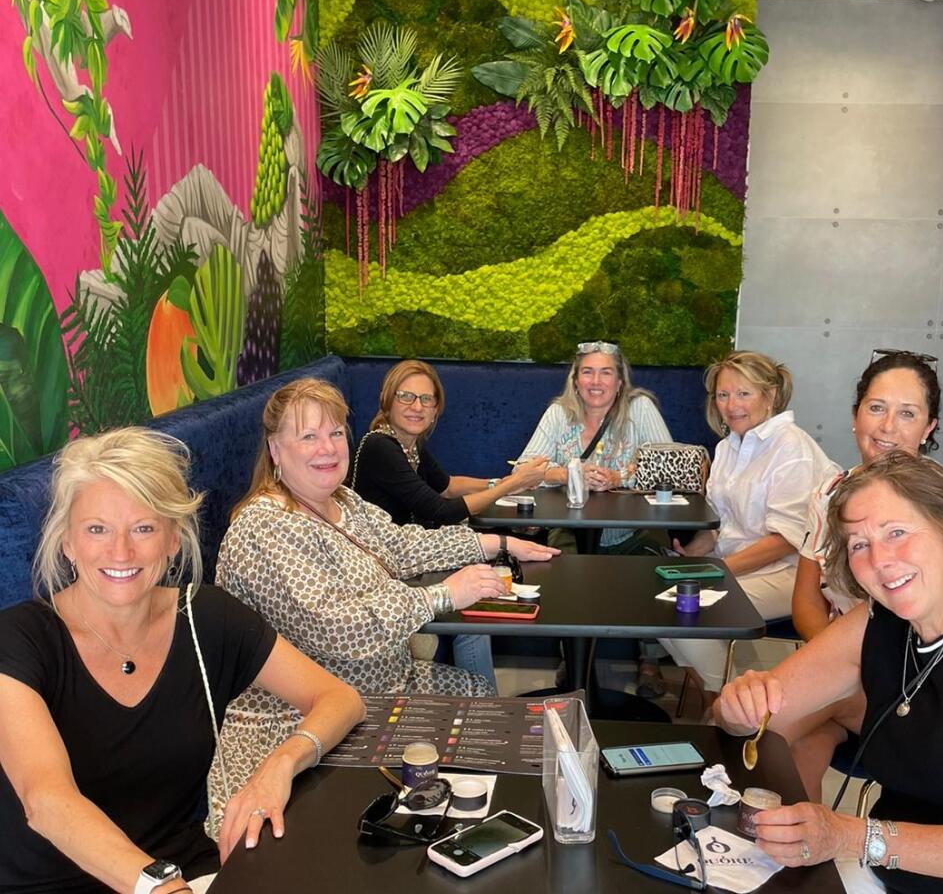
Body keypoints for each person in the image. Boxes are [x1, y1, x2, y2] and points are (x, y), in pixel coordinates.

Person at [0, 427, 363, 894]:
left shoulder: (206, 618)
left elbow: (340, 698)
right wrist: (159, 886)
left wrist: (278, 767)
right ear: (68, 542)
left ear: (173, 538)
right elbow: (45, 799)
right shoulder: (20, 639)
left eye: (144, 528)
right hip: (54, 885)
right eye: (97, 529)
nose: (121, 552)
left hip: (184, 868)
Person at [716, 451, 943, 894]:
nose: (880, 560)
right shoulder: (877, 622)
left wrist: (851, 835)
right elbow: (754, 718)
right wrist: (738, 707)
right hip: (896, 874)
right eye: (859, 544)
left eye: (898, 532)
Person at [215, 377, 557, 807]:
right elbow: (340, 630)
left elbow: (403, 544)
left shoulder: (342, 502)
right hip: (303, 721)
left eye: (335, 433)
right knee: (478, 722)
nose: (328, 448)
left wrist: (495, 544)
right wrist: (443, 595)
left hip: (386, 686)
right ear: (275, 451)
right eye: (308, 436)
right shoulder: (264, 528)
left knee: (480, 701)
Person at [787, 350, 943, 799]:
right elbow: (805, 599)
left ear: (928, 427)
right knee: (797, 752)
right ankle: (801, 859)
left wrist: (838, 675)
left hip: (913, 687)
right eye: (876, 408)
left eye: (907, 413)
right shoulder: (830, 492)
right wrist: (832, 666)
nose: (887, 427)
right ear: (856, 415)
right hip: (842, 671)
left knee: (765, 724)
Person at [350, 359, 549, 685]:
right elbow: (441, 510)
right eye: (406, 397)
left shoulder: (408, 445)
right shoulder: (379, 447)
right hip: (386, 572)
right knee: (472, 620)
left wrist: (500, 481)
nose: (417, 407)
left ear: (436, 408)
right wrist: (510, 486)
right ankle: (483, 709)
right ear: (387, 401)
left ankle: (481, 702)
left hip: (409, 557)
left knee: (479, 594)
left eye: (426, 399)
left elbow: (447, 485)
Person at [659, 351, 838, 704]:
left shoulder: (792, 448)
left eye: (744, 394)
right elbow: (719, 525)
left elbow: (786, 540)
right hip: (739, 567)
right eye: (723, 395)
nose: (731, 405)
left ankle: (732, 703)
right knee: (653, 599)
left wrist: (716, 570)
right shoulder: (728, 447)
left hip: (791, 573)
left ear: (769, 396)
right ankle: (732, 693)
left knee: (682, 608)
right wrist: (690, 556)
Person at [517, 340, 673, 696]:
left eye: (606, 372)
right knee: (563, 572)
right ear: (575, 379)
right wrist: (570, 473)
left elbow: (668, 467)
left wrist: (621, 478)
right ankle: (572, 658)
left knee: (649, 570)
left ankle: (649, 658)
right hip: (571, 529)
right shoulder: (559, 413)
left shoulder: (640, 409)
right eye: (587, 371)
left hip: (636, 529)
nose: (596, 381)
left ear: (620, 381)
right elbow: (525, 468)